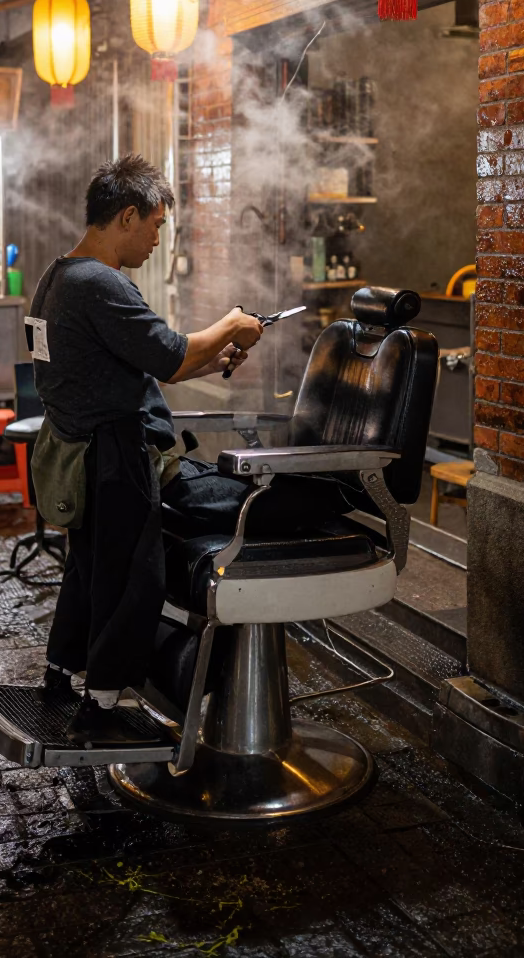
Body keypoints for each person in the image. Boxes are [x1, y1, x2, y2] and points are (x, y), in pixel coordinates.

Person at [29, 154, 351, 747]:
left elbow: (157, 364)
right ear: (126, 216)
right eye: (153, 225)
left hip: (86, 452)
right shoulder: (99, 283)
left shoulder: (58, 277)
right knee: (130, 581)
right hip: (116, 456)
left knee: (89, 571)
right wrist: (231, 326)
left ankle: (57, 680)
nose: (156, 240)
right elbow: (173, 355)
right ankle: (100, 711)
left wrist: (215, 352)